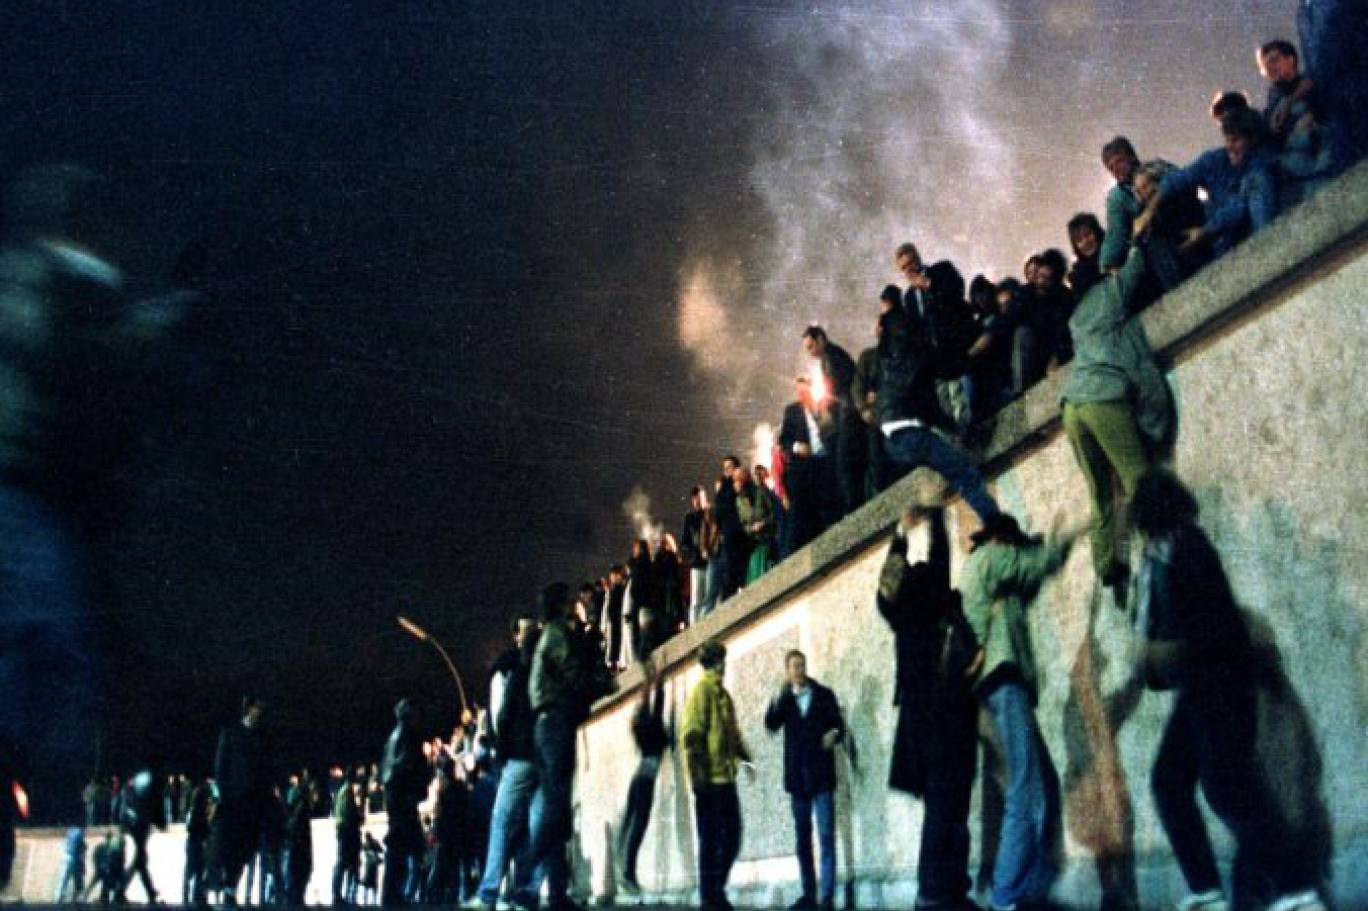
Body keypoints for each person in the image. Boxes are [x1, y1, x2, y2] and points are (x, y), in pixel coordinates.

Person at [1131, 470, 1329, 911]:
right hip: (1201, 687)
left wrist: (1162, 652)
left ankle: (1296, 889)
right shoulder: (1167, 552)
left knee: (1227, 788)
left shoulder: (1183, 548)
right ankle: (1210, 892)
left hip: (1216, 685)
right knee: (1172, 781)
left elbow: (1213, 630)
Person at [959, 513, 1080, 911]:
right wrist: (1063, 541)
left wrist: (1044, 555)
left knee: (1041, 786)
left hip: (1000, 683)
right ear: (1003, 539)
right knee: (1026, 790)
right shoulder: (991, 556)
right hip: (1003, 679)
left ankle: (1027, 891)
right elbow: (1033, 565)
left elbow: (1029, 580)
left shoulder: (991, 576)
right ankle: (1006, 896)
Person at [877, 505, 980, 911]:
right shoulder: (935, 599)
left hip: (918, 716)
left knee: (941, 807)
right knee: (951, 805)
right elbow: (940, 556)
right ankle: (941, 892)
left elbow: (888, 581)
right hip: (946, 709)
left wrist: (900, 535)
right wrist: (935, 515)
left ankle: (941, 891)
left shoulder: (897, 611)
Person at [1060, 241, 1174, 595]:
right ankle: (1161, 549)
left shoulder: (1075, 319)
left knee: (1100, 492)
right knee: (1137, 476)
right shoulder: (1109, 293)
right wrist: (1137, 241)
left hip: (1071, 406)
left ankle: (1108, 565)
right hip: (1102, 398)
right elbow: (1137, 265)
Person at [876, 305, 1000, 523]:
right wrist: (974, 352)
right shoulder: (917, 352)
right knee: (964, 474)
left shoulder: (887, 358)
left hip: (891, 441)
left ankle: (920, 513)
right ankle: (999, 526)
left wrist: (955, 429)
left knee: (939, 477)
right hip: (911, 432)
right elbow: (948, 373)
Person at [526, 582, 597, 911]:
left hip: (545, 726)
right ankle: (527, 877)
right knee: (556, 808)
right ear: (560, 605)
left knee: (556, 808)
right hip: (555, 724)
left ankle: (556, 893)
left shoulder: (547, 635)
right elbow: (574, 674)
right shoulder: (557, 634)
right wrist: (601, 685)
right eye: (568, 601)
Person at [764, 650, 846, 911]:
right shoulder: (786, 700)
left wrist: (834, 734)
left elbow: (839, 726)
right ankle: (809, 895)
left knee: (826, 835)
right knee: (802, 839)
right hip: (797, 779)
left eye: (802, 665)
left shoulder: (824, 694)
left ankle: (827, 897)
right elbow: (771, 725)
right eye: (794, 667)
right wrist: (776, 697)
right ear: (787, 671)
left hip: (821, 776)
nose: (799, 670)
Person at [471, 616, 542, 911]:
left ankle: (490, 892)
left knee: (503, 820)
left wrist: (500, 751)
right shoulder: (544, 664)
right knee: (535, 824)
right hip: (544, 755)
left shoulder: (512, 669)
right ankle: (528, 891)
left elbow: (503, 715)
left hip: (519, 755)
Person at [1140, 108, 1279, 259]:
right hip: (1225, 240)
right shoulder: (1215, 159)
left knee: (1256, 181)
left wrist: (1206, 231)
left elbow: (1237, 208)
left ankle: (1267, 248)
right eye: (1227, 140)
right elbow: (1177, 180)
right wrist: (1148, 212)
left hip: (1249, 229)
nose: (1230, 146)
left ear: (1252, 140)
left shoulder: (1262, 162)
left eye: (1236, 140)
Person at [681, 640, 750, 911]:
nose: (723, 665)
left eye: (722, 660)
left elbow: (731, 733)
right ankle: (710, 897)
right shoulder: (703, 692)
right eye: (718, 661)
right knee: (710, 840)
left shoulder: (724, 695)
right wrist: (699, 778)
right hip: (709, 780)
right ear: (710, 664)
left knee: (731, 836)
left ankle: (714, 890)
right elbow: (692, 736)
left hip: (726, 778)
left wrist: (745, 757)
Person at [616, 661, 671, 896]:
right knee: (638, 826)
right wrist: (656, 683)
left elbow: (652, 705)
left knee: (633, 825)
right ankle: (628, 874)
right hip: (645, 780)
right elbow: (656, 706)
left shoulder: (644, 729)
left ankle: (627, 872)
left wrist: (652, 683)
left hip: (640, 778)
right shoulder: (651, 728)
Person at [802, 326, 865, 515]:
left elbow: (837, 388)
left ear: (821, 339)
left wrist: (825, 403)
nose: (810, 352)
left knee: (846, 464)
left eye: (811, 346)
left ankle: (856, 509)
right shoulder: (830, 356)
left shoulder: (831, 357)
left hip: (848, 415)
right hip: (848, 414)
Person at [779, 376, 840, 555]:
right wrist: (797, 447)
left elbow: (833, 432)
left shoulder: (823, 406)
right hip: (802, 470)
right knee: (799, 516)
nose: (801, 394)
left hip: (824, 465)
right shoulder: (792, 411)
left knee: (826, 509)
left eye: (804, 390)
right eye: (799, 391)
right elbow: (784, 440)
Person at [381, 698, 429, 905]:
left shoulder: (393, 737)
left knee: (399, 846)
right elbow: (408, 767)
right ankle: (392, 895)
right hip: (403, 798)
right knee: (400, 847)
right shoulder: (408, 736)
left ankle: (393, 894)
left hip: (395, 797)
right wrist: (417, 789)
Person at [117, 768, 164, 904]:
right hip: (137, 828)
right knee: (140, 862)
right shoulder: (130, 790)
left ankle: (123, 891)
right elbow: (136, 808)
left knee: (139, 862)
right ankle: (148, 892)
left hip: (137, 827)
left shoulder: (129, 789)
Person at [1099, 137, 1143, 273]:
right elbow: (1116, 231)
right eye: (1111, 168)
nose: (1115, 170)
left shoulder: (1158, 168)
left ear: (1132, 157)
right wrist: (1108, 262)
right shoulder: (1117, 197)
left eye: (1119, 161)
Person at [735, 466, 776, 583]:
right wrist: (751, 529)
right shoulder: (739, 501)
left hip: (768, 540)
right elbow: (743, 524)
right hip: (753, 544)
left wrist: (763, 523)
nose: (735, 484)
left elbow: (774, 513)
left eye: (737, 480)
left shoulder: (761, 492)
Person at [681, 487, 712, 624]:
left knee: (708, 597)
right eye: (695, 498)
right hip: (698, 564)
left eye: (699, 497)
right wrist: (694, 554)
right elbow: (685, 542)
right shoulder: (689, 518)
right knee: (698, 599)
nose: (697, 501)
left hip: (710, 562)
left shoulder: (710, 514)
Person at [333, 777, 364, 905]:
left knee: (343, 864)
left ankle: (340, 894)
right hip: (349, 835)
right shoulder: (348, 793)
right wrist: (360, 810)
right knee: (348, 865)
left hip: (344, 833)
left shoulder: (342, 792)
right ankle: (347, 896)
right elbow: (355, 817)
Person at [55, 825, 87, 903]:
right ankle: (77, 899)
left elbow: (67, 843)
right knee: (78, 879)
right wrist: (83, 865)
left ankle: (57, 899)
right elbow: (80, 851)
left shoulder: (70, 831)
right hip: (74, 858)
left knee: (63, 880)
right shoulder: (79, 834)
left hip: (65, 856)